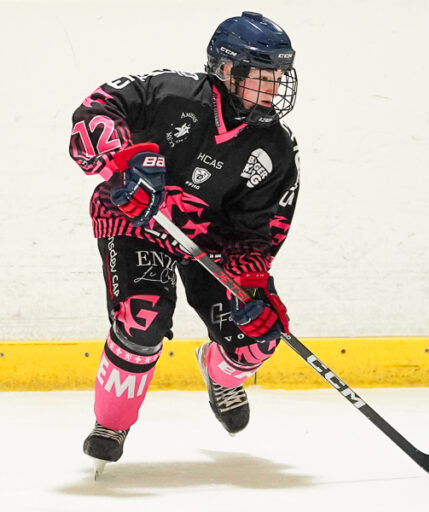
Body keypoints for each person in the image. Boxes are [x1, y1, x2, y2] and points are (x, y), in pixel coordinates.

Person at [68, 12, 301, 466]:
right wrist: (122, 162)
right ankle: (111, 424)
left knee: (257, 338)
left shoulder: (275, 147)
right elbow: (95, 112)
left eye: (278, 77)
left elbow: (257, 231)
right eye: (263, 76)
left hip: (206, 241)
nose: (273, 88)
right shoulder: (171, 93)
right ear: (227, 69)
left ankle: (220, 374)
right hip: (135, 222)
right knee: (143, 316)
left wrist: (252, 282)